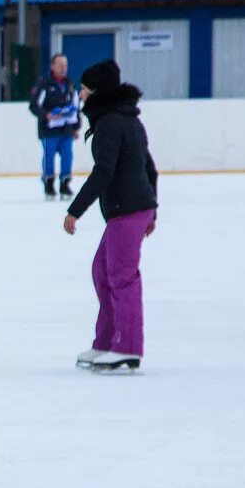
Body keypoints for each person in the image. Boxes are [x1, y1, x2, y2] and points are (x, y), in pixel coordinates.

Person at [63, 59, 159, 374]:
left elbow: (104, 172)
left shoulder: (110, 124)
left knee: (121, 276)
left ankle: (128, 348)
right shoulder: (126, 120)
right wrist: (153, 208)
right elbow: (149, 168)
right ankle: (106, 342)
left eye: (84, 89)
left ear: (97, 92)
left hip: (128, 209)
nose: (80, 95)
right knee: (102, 272)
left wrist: (75, 209)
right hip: (131, 208)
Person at [29, 53, 81, 201]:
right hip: (49, 130)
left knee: (67, 157)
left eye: (65, 65)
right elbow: (33, 105)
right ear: (53, 66)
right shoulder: (44, 84)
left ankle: (65, 184)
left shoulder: (70, 84)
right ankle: (49, 184)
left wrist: (76, 126)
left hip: (66, 129)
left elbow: (76, 106)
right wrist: (47, 115)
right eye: (60, 65)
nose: (64, 68)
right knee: (49, 157)